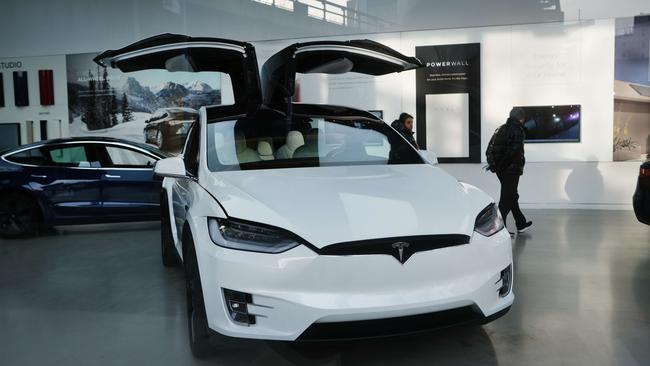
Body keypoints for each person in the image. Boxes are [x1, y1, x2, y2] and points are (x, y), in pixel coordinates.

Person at [489, 107, 532, 234]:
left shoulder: (501, 128)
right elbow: (512, 153)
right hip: (511, 170)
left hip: (501, 170)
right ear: (521, 118)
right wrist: (503, 166)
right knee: (507, 198)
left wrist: (496, 167)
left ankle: (520, 223)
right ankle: (499, 230)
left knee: (512, 195)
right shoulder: (518, 130)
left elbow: (490, 148)